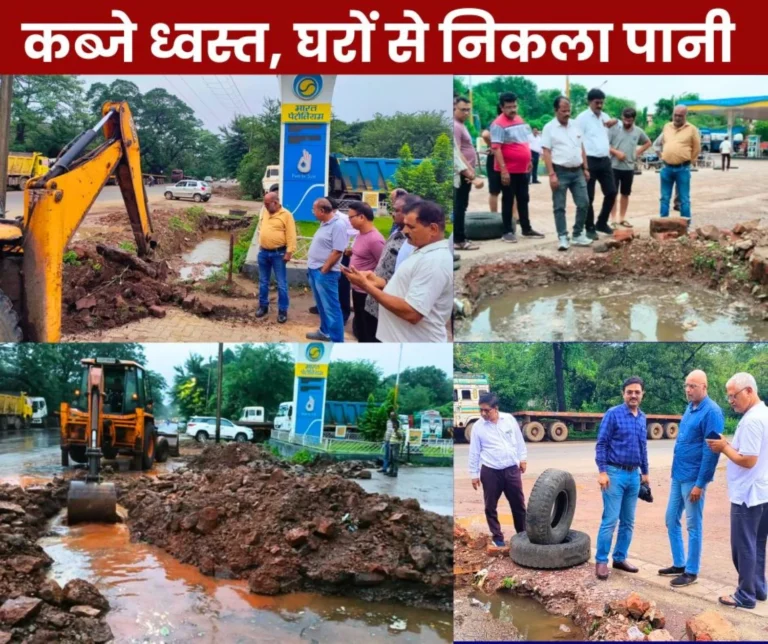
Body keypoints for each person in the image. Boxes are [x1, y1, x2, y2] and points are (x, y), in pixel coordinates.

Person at [345, 198, 453, 343]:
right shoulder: (422, 250)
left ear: (433, 229)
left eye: (411, 227)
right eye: (405, 226)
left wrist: (366, 286)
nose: (406, 231)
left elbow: (412, 313)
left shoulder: (434, 261)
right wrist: (378, 281)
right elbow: (407, 287)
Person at [706, 373, 768, 609]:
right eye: (729, 396)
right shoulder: (764, 414)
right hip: (762, 492)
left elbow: (748, 459)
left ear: (749, 391)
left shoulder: (753, 420)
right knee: (757, 543)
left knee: (743, 547)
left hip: (747, 496)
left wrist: (723, 447)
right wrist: (729, 444)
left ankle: (745, 595)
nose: (731, 400)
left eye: (734, 395)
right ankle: (758, 589)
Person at [659, 370, 723, 588]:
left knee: (693, 525)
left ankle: (692, 570)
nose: (688, 390)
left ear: (704, 387)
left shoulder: (712, 412)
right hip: (678, 475)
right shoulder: (690, 407)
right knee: (670, 518)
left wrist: (700, 484)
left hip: (693, 479)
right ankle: (679, 563)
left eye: (693, 386)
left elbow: (711, 452)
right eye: (686, 385)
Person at [594, 376, 649, 580]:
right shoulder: (613, 414)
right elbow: (601, 444)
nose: (633, 395)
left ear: (642, 394)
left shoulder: (642, 417)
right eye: (629, 392)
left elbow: (643, 447)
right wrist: (602, 471)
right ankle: (601, 561)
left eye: (637, 392)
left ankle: (619, 558)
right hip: (614, 474)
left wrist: (645, 473)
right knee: (610, 520)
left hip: (634, 475)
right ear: (623, 393)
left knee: (628, 521)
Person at [468, 392, 527, 547]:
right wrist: (474, 474)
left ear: (495, 408)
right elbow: (474, 452)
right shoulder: (478, 427)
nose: (483, 413)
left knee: (518, 505)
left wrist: (523, 459)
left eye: (486, 410)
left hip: (511, 469)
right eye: (480, 410)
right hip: (490, 471)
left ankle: (522, 535)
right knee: (490, 506)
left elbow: (519, 440)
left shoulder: (509, 420)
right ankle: (497, 537)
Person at [489, 92, 545, 243]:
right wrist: (504, 170)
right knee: (508, 199)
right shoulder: (498, 124)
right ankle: (507, 231)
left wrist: (529, 160)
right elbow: (496, 148)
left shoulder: (519, 120)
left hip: (523, 169)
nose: (512, 110)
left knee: (524, 199)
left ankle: (526, 228)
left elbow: (524, 142)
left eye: (514, 106)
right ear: (501, 107)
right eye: (508, 107)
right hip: (509, 171)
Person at [541, 95, 592, 251]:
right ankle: (563, 237)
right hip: (560, 172)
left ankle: (577, 233)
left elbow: (581, 147)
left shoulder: (576, 125)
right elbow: (546, 152)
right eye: (563, 110)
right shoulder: (549, 128)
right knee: (559, 206)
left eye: (569, 110)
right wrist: (551, 174)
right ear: (556, 110)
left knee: (584, 203)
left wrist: (586, 167)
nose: (567, 113)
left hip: (577, 171)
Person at [362, 193, 410, 342]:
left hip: (388, 308)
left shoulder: (412, 243)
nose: (392, 213)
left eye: (396, 210)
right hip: (372, 302)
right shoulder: (396, 233)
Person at [575, 88, 619, 238]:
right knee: (589, 196)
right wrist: (583, 165)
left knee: (612, 192)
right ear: (589, 102)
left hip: (604, 160)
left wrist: (616, 121)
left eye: (601, 102)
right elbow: (577, 140)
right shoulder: (582, 118)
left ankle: (602, 222)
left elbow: (615, 129)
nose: (599, 105)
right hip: (589, 161)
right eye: (596, 102)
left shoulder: (605, 117)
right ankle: (590, 227)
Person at [306, 198, 348, 342]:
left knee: (332, 309)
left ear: (322, 211)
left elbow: (338, 251)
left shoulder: (338, 225)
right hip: (314, 270)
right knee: (322, 306)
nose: (313, 212)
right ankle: (325, 332)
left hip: (325, 273)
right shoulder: (324, 223)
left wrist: (325, 269)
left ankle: (337, 340)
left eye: (314, 209)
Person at [255, 191, 296, 324]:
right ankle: (263, 306)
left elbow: (291, 235)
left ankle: (283, 311)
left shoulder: (286, 215)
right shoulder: (265, 211)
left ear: (275, 202)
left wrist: (289, 252)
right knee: (263, 281)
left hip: (279, 254)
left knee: (281, 284)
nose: (265, 206)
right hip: (263, 253)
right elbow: (261, 227)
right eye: (264, 204)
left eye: (267, 204)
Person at [657, 105, 701, 227]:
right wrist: (664, 156)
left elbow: (697, 148)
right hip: (666, 168)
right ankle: (662, 225)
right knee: (664, 198)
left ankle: (685, 225)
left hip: (683, 168)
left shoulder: (692, 129)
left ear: (685, 116)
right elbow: (662, 143)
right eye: (675, 115)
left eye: (680, 116)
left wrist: (689, 162)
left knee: (684, 199)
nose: (677, 118)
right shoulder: (667, 126)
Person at [348, 201, 385, 342]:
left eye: (351, 217)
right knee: (360, 329)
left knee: (368, 330)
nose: (349, 221)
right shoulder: (360, 235)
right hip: (357, 290)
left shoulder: (375, 240)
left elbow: (383, 267)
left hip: (368, 294)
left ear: (361, 217)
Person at [608, 107, 651, 229]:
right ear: (622, 117)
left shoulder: (638, 131)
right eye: (625, 119)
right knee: (613, 193)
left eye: (630, 120)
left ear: (634, 119)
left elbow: (648, 142)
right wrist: (617, 153)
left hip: (629, 167)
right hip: (614, 166)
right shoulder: (615, 130)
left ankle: (622, 218)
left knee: (625, 193)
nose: (627, 122)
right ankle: (613, 220)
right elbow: (605, 145)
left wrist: (637, 152)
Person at [453, 96, 480, 251]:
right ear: (454, 109)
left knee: (462, 205)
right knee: (459, 206)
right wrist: (469, 173)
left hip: (466, 173)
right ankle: (459, 240)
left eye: (468, 110)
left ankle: (460, 237)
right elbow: (456, 153)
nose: (466, 113)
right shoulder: (455, 126)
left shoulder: (462, 125)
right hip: (462, 173)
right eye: (463, 109)